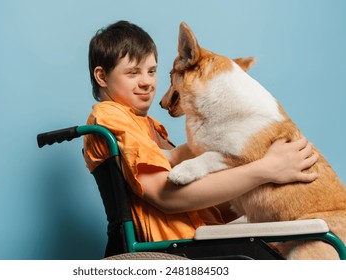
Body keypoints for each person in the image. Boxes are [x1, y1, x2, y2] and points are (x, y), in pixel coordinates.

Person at [83, 20, 318, 244]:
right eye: (133, 73)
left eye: (152, 71)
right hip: (177, 251)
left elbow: (206, 204)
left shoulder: (152, 128)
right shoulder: (110, 116)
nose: (147, 82)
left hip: (203, 239)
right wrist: (265, 170)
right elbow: (167, 198)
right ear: (102, 76)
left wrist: (273, 187)